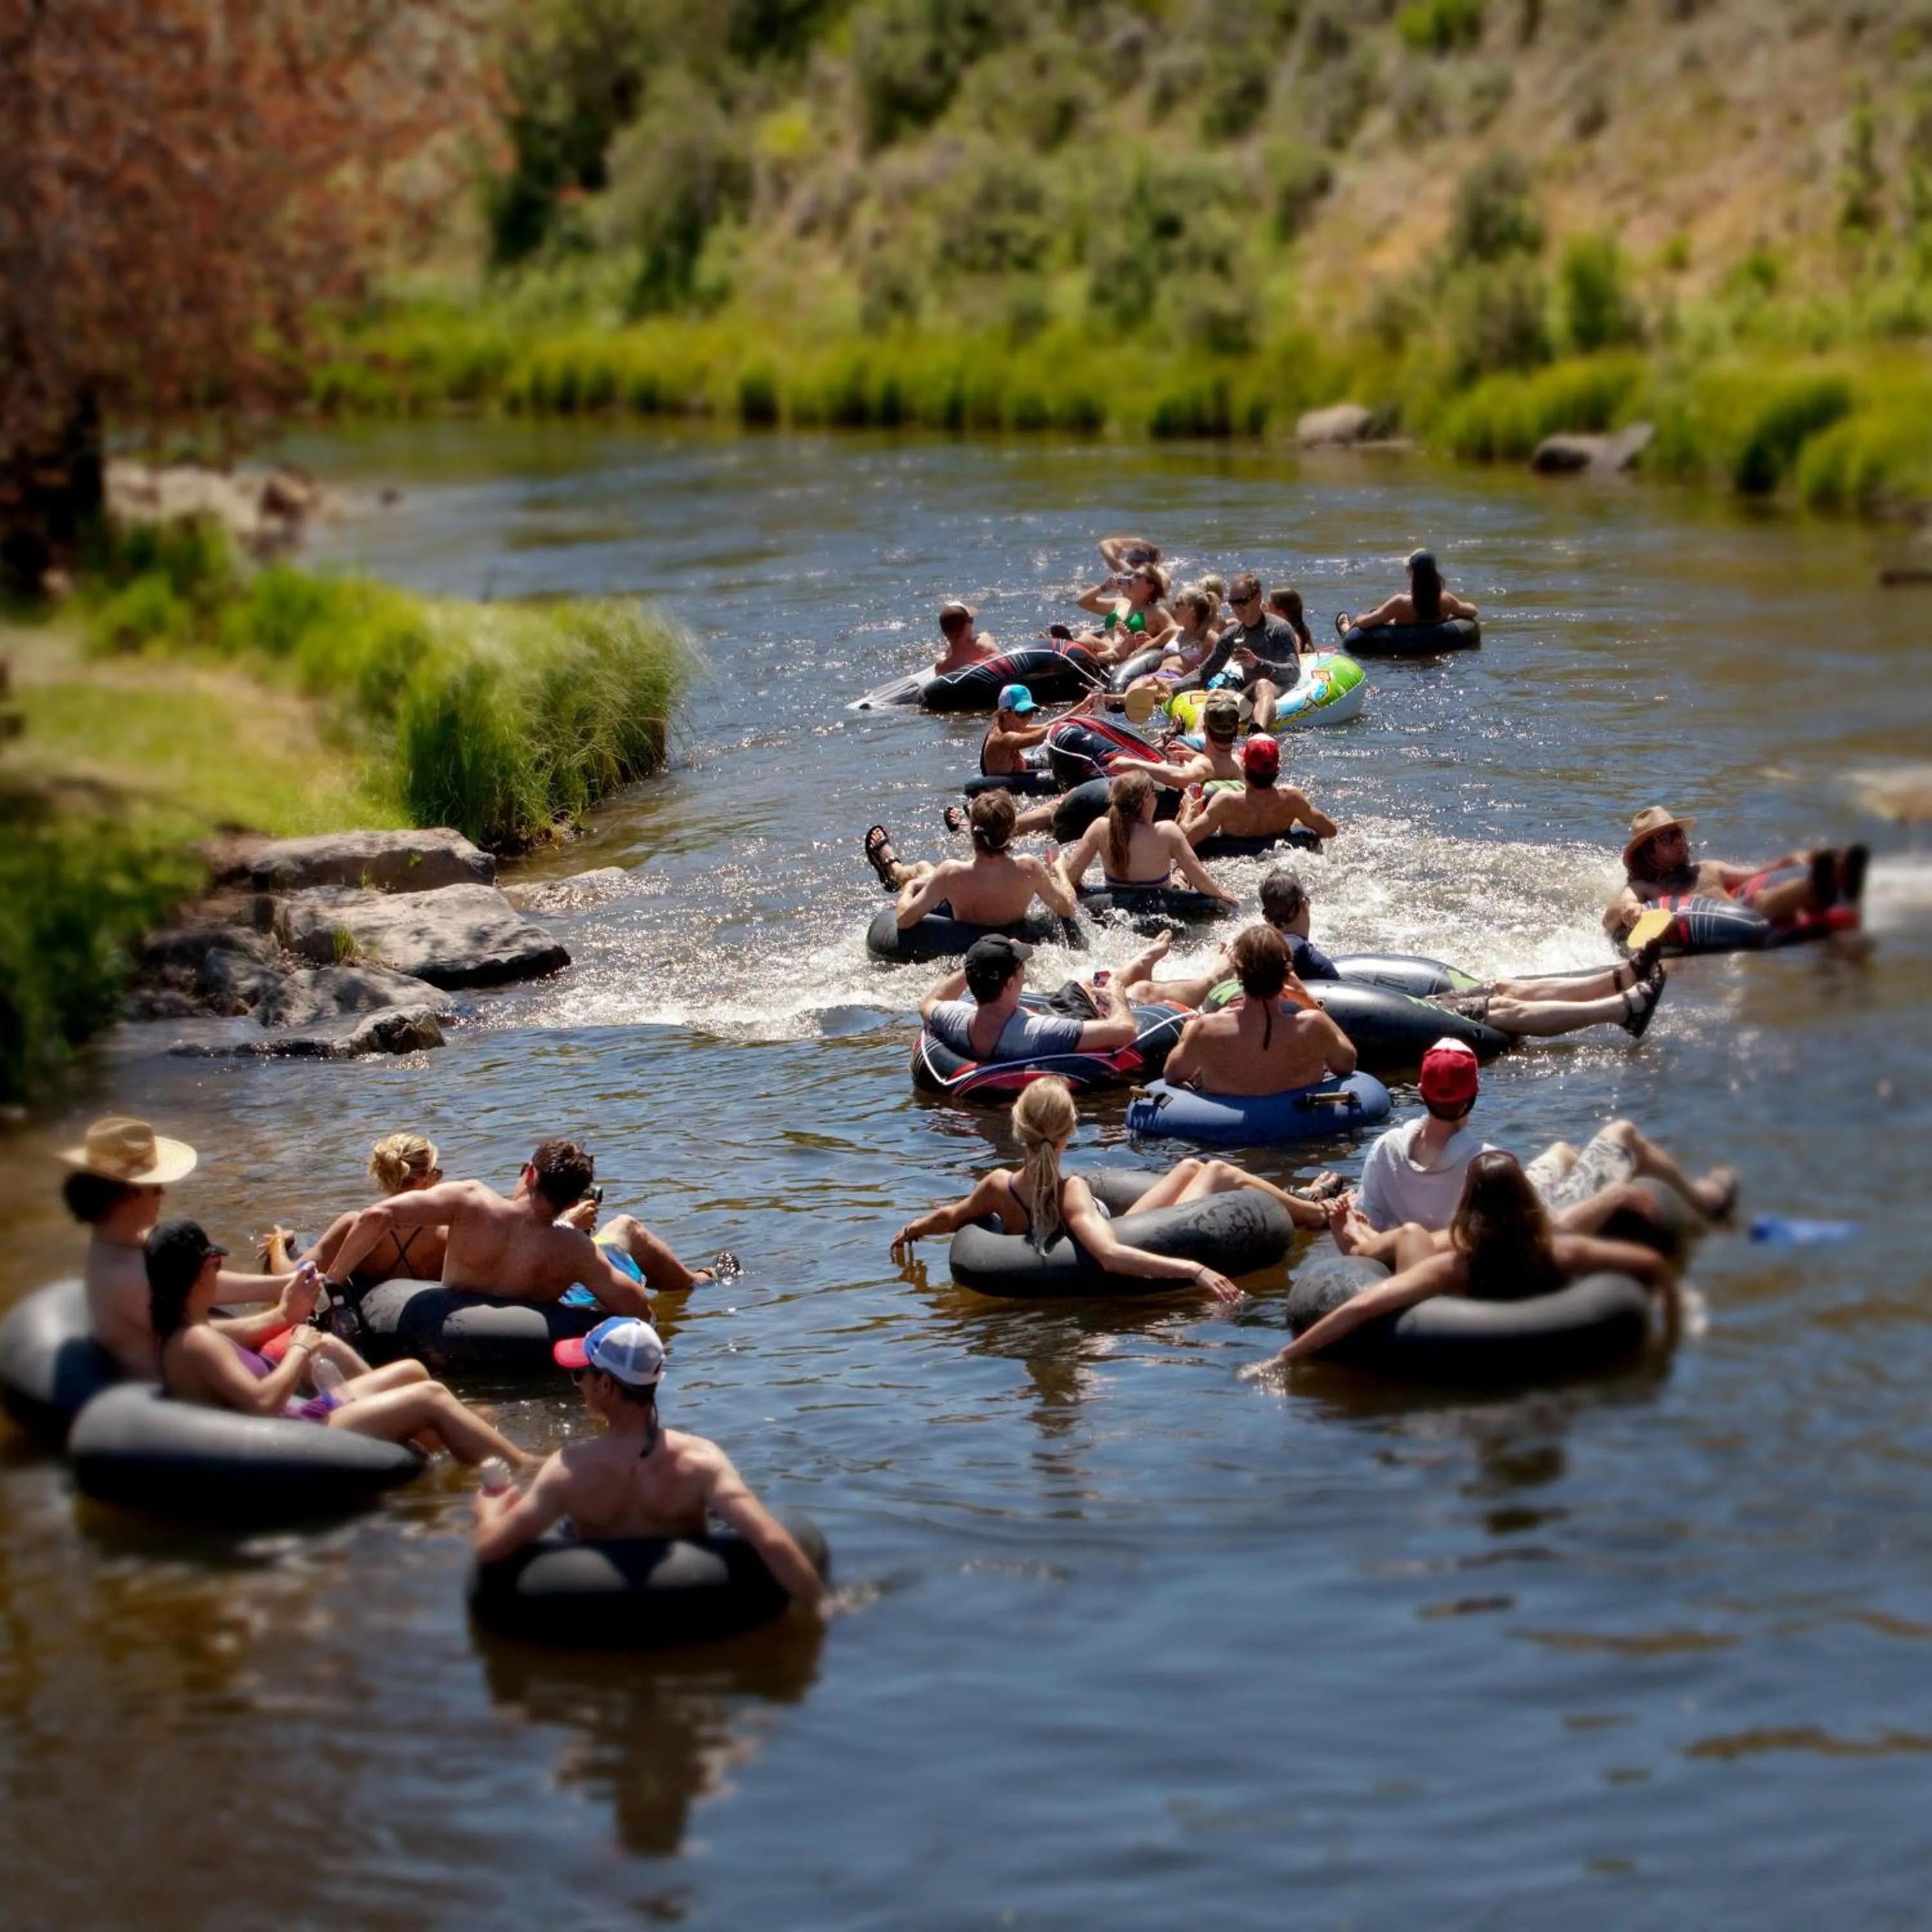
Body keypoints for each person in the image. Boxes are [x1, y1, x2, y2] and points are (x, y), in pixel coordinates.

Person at [471, 1316, 826, 1606]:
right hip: (689, 1604)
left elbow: (491, 1550)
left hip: (598, 1609)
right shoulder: (701, 1462)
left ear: (605, 1385)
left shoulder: (569, 1469)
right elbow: (771, 1541)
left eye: (580, 1374)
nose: (577, 1383)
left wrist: (490, 1507)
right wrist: (823, 1608)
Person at [1242, 1150, 1679, 1377]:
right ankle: (1361, 1239)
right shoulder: (1562, 1254)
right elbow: (1653, 1265)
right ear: (1526, 1200)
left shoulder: (1454, 1268)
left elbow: (1361, 1307)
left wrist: (1283, 1358)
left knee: (1413, 1236)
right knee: (1416, 1235)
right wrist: (1668, 1344)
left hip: (1455, 1345)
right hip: (1541, 1349)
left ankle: (1358, 1241)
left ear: (1469, 1203)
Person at [147, 1217, 529, 1465]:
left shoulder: (183, 1331)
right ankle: (522, 1465)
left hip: (291, 1420)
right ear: (205, 1270)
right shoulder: (198, 1340)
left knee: (411, 1371)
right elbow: (263, 1404)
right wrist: (299, 1350)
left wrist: (290, 1321)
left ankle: (450, 1442)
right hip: (291, 1437)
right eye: (216, 1266)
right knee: (431, 1397)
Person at [1153, 868, 1668, 1040]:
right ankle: (1620, 1007)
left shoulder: (1263, 944)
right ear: (1302, 906)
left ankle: (1619, 978)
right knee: (1502, 1007)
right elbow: (1292, 991)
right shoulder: (1291, 949)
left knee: (1502, 988)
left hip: (1385, 1009)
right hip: (1386, 1020)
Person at [1335, 1037, 1739, 1256]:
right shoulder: (1485, 1162)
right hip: (1532, 1219)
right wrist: (1614, 1199)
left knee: (1562, 1153)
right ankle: (1704, 1202)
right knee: (1623, 1133)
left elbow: (1367, 1223)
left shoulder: (1386, 1148)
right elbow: (1545, 1230)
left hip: (1485, 1215)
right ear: (1473, 1096)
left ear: (1422, 1092)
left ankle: (1575, 1166)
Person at [889, 1076, 1248, 1295]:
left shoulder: (998, 1187)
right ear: (1069, 1132)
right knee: (1214, 1172)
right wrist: (1195, 1269)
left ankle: (1294, 1205)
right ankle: (1289, 1207)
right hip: (1123, 1237)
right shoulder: (1071, 1191)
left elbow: (951, 1217)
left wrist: (913, 1228)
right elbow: (1109, 1256)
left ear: (1019, 1128)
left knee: (1188, 1169)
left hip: (1085, 1245)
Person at [322, 1139, 732, 1316]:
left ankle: (699, 1279)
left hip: (453, 1318)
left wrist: (334, 1283)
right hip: (533, 1320)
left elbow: (376, 1216)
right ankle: (700, 1280)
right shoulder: (575, 1249)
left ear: (530, 1175)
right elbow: (638, 1308)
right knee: (625, 1226)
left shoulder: (469, 1200)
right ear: (572, 1200)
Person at [60, 1115, 312, 1379]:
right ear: (129, 1194)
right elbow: (195, 1341)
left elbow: (194, 1281)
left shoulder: (125, 1239)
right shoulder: (120, 1277)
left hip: (190, 1353)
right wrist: (283, 1316)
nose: (163, 1193)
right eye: (155, 1187)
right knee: (318, 1351)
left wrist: (282, 1285)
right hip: (179, 1380)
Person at [1604, 806, 1869, 940]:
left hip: (1745, 916)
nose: (1677, 841)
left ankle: (1834, 879)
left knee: (1760, 898)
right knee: (1758, 902)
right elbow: (1612, 915)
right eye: (1666, 838)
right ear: (1649, 854)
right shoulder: (1645, 888)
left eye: (1677, 834)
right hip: (1721, 930)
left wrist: (1788, 862)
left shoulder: (1709, 868)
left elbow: (1757, 875)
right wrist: (1629, 909)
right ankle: (1821, 884)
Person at [1162, 927, 1358, 1097]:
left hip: (1229, 1127)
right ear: (1287, 973)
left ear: (1238, 972)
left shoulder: (1207, 1029)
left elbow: (1172, 1075)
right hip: (1297, 1124)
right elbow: (1347, 1064)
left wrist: (1194, 1032)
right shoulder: (1314, 1025)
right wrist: (1308, 1001)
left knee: (1189, 1027)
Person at [920, 931, 1172, 1063]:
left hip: (1022, 1018)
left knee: (1086, 984)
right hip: (1049, 1030)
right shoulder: (1038, 1031)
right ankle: (1147, 964)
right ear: (1010, 983)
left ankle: (1136, 965)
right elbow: (1126, 1031)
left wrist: (977, 965)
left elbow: (929, 1003)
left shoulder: (957, 1021)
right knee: (1139, 991)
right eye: (1021, 967)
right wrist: (1117, 997)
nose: (1024, 971)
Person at [260, 1131, 449, 1285]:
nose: (439, 1177)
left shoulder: (355, 1225)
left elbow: (288, 1277)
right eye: (436, 1172)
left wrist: (279, 1241)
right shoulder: (446, 1232)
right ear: (426, 1177)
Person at [865, 791, 1075, 929]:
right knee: (929, 873)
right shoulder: (1030, 868)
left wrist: (910, 888)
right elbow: (1068, 908)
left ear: (973, 834)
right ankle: (896, 871)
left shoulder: (950, 872)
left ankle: (894, 870)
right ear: (1012, 831)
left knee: (924, 868)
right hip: (1010, 926)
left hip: (963, 922)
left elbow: (903, 920)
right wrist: (1060, 871)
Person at [1053, 770, 1241, 907]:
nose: (1157, 799)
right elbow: (1200, 880)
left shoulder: (1100, 828)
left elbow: (1072, 877)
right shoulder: (1167, 831)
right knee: (1181, 875)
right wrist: (1220, 895)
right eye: (1155, 795)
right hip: (1162, 904)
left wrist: (1063, 872)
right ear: (1146, 802)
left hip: (1114, 904)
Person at [1180, 734, 1338, 850]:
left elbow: (1185, 840)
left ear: (1244, 766)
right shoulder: (1292, 799)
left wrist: (1187, 810)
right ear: (1277, 769)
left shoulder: (1225, 801)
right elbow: (1330, 831)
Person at [1195, 572, 1302, 727]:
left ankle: (1259, 734)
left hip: (1280, 690)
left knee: (1262, 684)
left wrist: (1257, 664)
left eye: (1242, 602)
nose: (1236, 608)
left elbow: (1294, 671)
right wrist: (1171, 688)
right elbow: (1205, 672)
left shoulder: (1280, 629)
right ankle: (1197, 736)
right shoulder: (1232, 635)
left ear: (1258, 598)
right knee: (1215, 694)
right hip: (1249, 696)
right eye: (1232, 603)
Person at [1110, 688, 1247, 791]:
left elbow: (1180, 778)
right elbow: (1219, 762)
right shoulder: (1238, 761)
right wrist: (1193, 755)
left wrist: (1131, 764)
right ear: (1236, 730)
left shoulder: (1204, 767)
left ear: (1205, 729)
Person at [1343, 547, 1477, 632]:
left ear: (1411, 572)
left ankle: (1344, 625)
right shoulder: (1447, 600)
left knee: (1369, 615)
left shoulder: (1401, 603)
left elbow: (1365, 623)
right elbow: (1472, 611)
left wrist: (1359, 618)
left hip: (1403, 655)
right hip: (1437, 648)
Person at [1075, 561, 1177, 666]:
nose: (1131, 578)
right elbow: (1083, 602)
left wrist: (1152, 642)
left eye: (1137, 576)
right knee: (1085, 637)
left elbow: (1176, 632)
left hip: (1121, 659)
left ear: (1150, 587)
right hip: (1102, 648)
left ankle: (1105, 656)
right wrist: (1105, 588)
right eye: (1131, 574)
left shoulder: (1155, 611)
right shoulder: (1120, 602)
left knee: (1084, 645)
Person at [976, 682, 1056, 781]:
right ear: (1004, 714)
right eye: (1022, 714)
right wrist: (1061, 728)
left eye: (1030, 713)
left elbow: (1045, 726)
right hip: (1000, 786)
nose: (1026, 720)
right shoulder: (1002, 737)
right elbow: (1033, 738)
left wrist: (1073, 715)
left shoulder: (1011, 727)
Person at [933, 600, 998, 675]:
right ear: (966, 626)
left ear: (944, 631)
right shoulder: (985, 640)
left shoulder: (942, 666)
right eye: (971, 620)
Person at [1267, 586, 1314, 651]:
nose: (1266, 608)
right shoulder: (1302, 628)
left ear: (1281, 612)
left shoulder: (1287, 633)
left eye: (1269, 605)